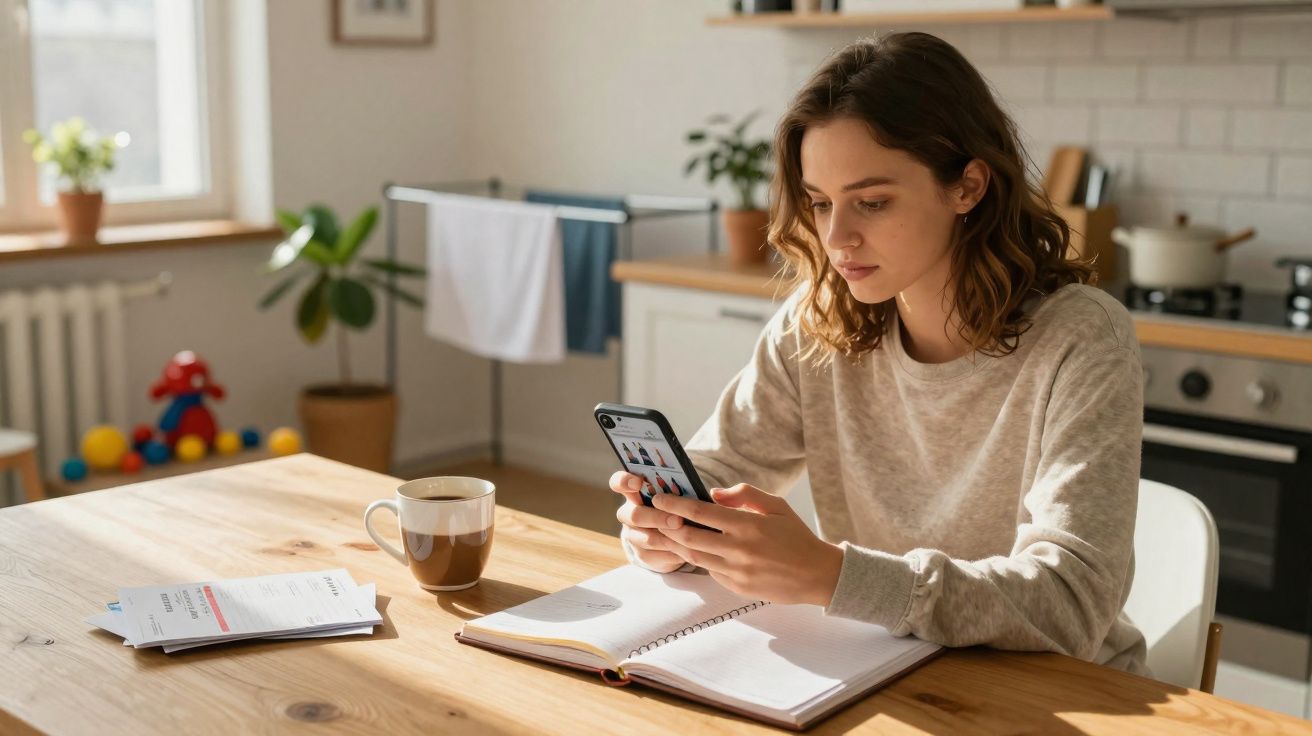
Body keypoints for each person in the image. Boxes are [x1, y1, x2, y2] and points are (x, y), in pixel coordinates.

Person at [609, 32, 1147, 674]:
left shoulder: (1081, 339)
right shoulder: (817, 321)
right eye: (820, 203)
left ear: (968, 186)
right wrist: (668, 530)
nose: (836, 238)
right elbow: (717, 469)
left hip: (1059, 691)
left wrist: (832, 576)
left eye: (871, 202)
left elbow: (1071, 603)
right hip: (883, 670)